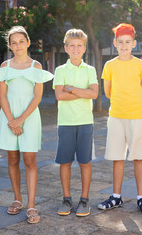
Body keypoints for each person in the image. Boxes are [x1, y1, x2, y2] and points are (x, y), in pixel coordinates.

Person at [0, 26, 53, 224]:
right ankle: (17, 199)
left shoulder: (36, 66)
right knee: (12, 159)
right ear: (9, 45)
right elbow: (2, 96)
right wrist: (11, 120)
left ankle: (31, 204)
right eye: (13, 42)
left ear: (28, 42)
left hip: (30, 118)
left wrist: (21, 120)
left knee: (30, 160)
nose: (18, 46)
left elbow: (37, 97)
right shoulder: (4, 67)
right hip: (8, 118)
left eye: (21, 41)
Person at [98, 23, 142, 214]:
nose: (124, 45)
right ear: (115, 43)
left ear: (134, 43)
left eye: (128, 42)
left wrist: (136, 103)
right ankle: (116, 196)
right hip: (116, 116)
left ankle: (141, 197)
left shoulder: (140, 64)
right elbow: (107, 91)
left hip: (137, 115)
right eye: (120, 42)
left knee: (138, 156)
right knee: (117, 156)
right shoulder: (109, 65)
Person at [53, 29, 98, 217]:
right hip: (65, 122)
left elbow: (94, 94)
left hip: (85, 122)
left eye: (79, 45)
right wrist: (82, 92)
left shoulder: (90, 70)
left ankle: (84, 200)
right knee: (65, 162)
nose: (75, 48)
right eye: (72, 45)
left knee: (85, 162)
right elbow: (59, 96)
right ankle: (66, 198)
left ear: (85, 48)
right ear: (66, 48)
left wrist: (70, 88)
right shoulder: (60, 70)